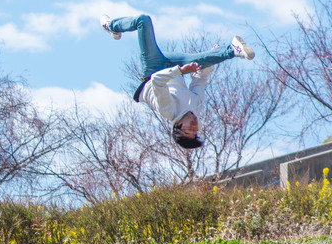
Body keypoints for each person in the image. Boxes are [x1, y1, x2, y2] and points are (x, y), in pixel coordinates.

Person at [100, 13, 255, 149]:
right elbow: (200, 80)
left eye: (188, 130)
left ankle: (111, 26)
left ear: (177, 125)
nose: (194, 127)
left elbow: (157, 81)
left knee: (143, 20)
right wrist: (213, 56)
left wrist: (181, 70)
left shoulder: (168, 110)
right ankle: (232, 49)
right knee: (203, 61)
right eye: (195, 132)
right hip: (175, 67)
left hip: (154, 69)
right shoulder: (196, 107)